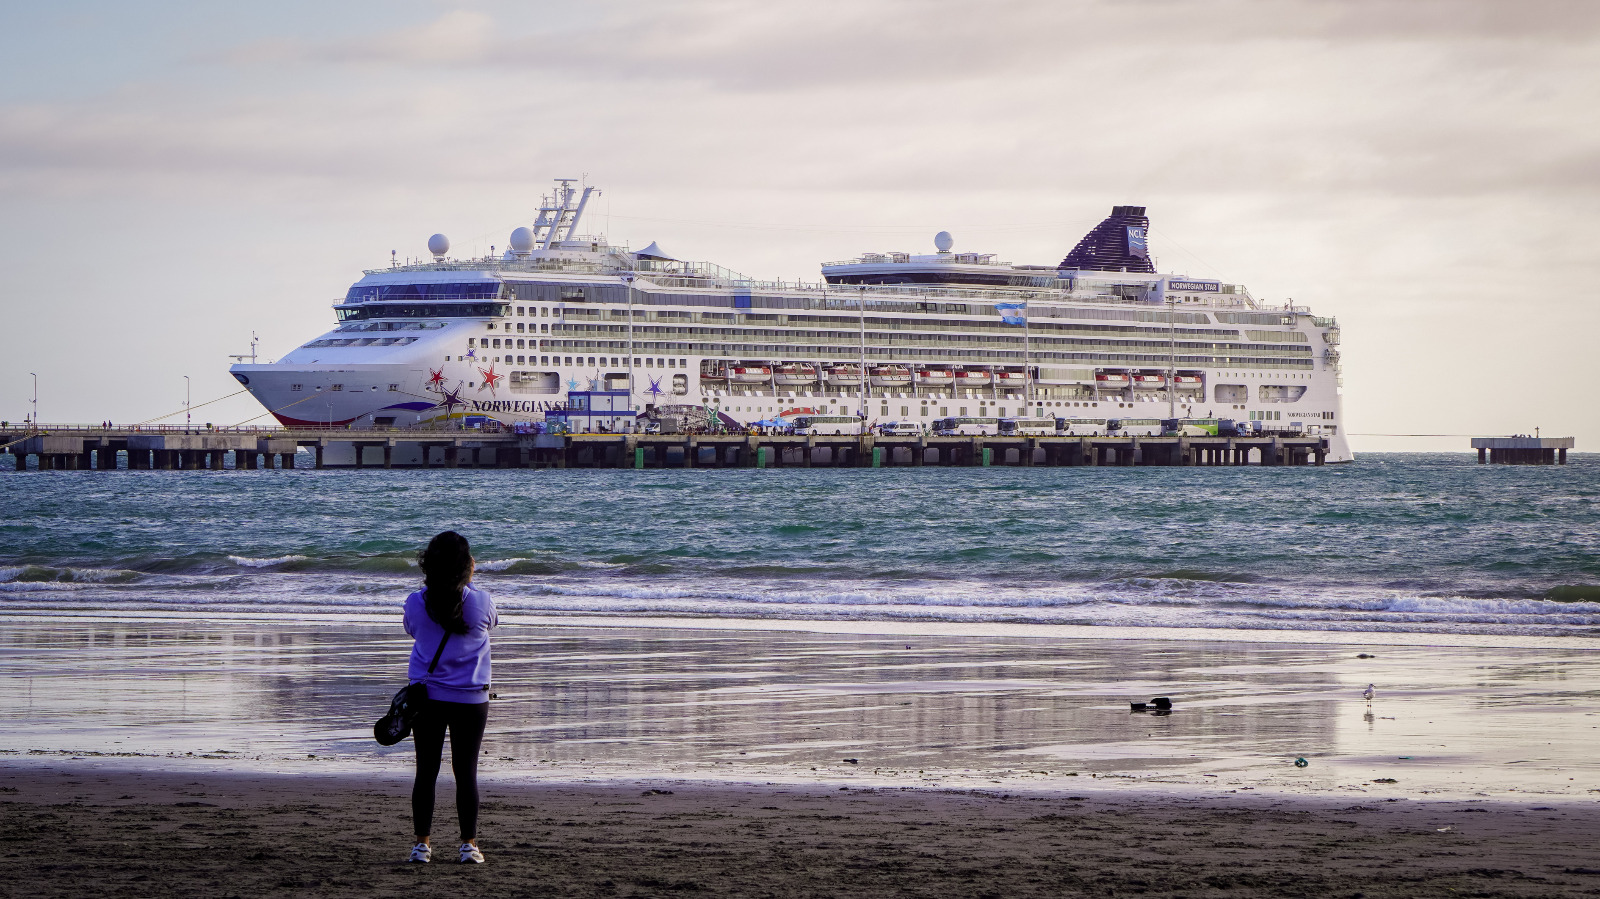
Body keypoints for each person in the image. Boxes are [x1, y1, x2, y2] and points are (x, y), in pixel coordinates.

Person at [403, 531, 497, 864]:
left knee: (425, 771)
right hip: (471, 698)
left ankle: (421, 846)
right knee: (466, 772)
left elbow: (412, 630)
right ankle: (468, 846)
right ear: (466, 566)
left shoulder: (415, 602)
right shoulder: (482, 601)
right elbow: (491, 624)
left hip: (426, 696)